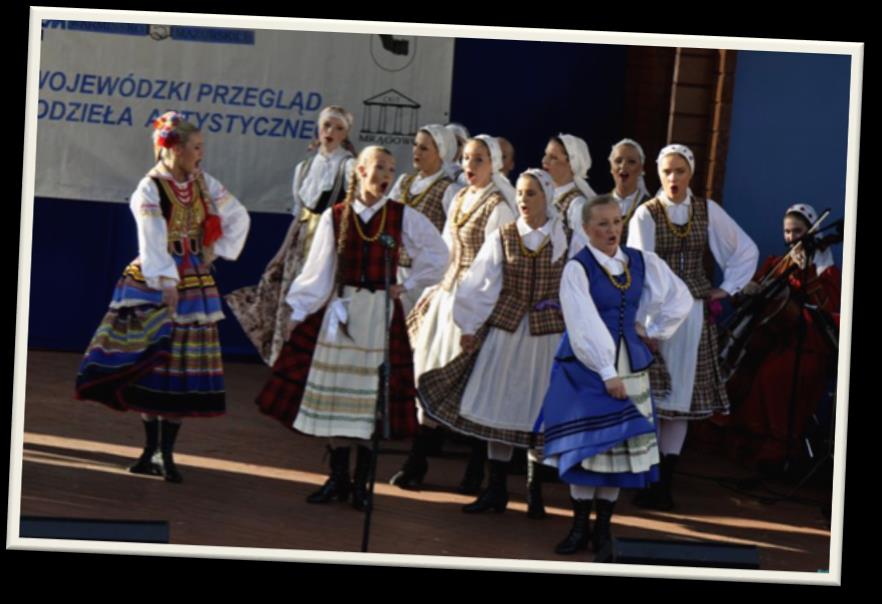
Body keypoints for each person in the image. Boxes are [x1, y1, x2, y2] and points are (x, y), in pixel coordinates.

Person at [255, 146, 448, 511]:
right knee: (337, 395)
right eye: (379, 167)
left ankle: (362, 483)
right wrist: (300, 310)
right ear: (360, 171)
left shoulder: (401, 216)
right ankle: (338, 478)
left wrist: (406, 285)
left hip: (378, 313)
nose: (386, 175)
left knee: (369, 402)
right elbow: (319, 270)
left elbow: (439, 255)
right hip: (342, 313)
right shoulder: (336, 216)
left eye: (391, 169)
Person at [75, 111, 251, 483]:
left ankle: (165, 453)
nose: (201, 154)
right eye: (197, 147)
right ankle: (148, 450)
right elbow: (151, 236)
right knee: (150, 359)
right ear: (176, 148)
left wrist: (212, 249)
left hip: (193, 279)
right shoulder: (150, 187)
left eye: (202, 147)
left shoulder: (204, 182)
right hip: (157, 279)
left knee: (181, 365)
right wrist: (166, 280)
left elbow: (237, 214)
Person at [540, 194, 692, 557]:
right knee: (588, 445)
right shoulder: (578, 268)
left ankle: (603, 529)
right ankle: (579, 527)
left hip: (630, 360)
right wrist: (607, 371)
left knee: (619, 450)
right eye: (603, 224)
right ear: (587, 228)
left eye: (616, 221)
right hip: (589, 365)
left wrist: (652, 327)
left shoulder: (641, 261)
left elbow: (680, 298)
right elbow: (583, 322)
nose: (612, 229)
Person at [418, 168, 567, 518]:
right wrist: (468, 325)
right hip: (506, 331)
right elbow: (479, 283)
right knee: (499, 407)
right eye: (520, 194)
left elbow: (576, 288)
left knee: (538, 413)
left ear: (547, 197)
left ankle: (534, 492)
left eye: (531, 194)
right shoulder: (503, 236)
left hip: (547, 336)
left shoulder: (566, 238)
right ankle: (495, 489)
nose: (523, 200)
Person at [627, 144, 759, 510]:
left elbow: (744, 250)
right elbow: (642, 268)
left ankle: (665, 483)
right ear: (658, 173)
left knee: (680, 398)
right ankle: (649, 478)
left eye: (680, 171)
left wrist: (726, 288)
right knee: (653, 399)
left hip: (693, 316)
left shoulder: (706, 210)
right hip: (658, 317)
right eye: (667, 171)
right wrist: (642, 323)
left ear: (691, 173)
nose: (673, 178)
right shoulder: (645, 214)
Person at [389, 135, 516, 492]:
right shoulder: (460, 197)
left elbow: (495, 267)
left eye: (478, 160)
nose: (470, 167)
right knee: (429, 376)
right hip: (448, 298)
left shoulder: (498, 206)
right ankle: (417, 461)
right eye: (466, 159)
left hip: (474, 304)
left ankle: (474, 471)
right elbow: (445, 250)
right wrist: (432, 289)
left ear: (493, 164)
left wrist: (478, 313)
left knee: (468, 382)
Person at [225, 105, 356, 366]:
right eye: (327, 125)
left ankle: (320, 364)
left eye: (338, 128)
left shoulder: (349, 167)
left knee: (322, 300)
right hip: (301, 243)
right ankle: (289, 363)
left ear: (345, 134)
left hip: (329, 244)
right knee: (291, 299)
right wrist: (281, 253)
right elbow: (298, 216)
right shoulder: (305, 168)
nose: (330, 132)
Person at [727, 203, 841, 474]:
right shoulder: (776, 264)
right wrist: (747, 290)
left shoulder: (826, 271)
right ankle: (754, 447)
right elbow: (745, 298)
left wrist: (808, 274)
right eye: (787, 232)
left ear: (811, 233)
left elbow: (828, 309)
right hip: (773, 341)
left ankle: (779, 450)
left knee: (773, 376)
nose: (791, 238)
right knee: (754, 377)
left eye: (797, 231)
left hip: (810, 345)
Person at [389, 124, 464, 313]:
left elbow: (453, 236)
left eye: (424, 148)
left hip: (422, 276)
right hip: (393, 268)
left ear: (440, 153)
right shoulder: (404, 182)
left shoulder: (448, 190)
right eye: (415, 145)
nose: (416, 151)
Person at [541, 133, 597, 249]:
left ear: (571, 164)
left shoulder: (578, 205)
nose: (544, 161)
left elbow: (583, 250)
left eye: (553, 157)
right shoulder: (544, 196)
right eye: (546, 155)